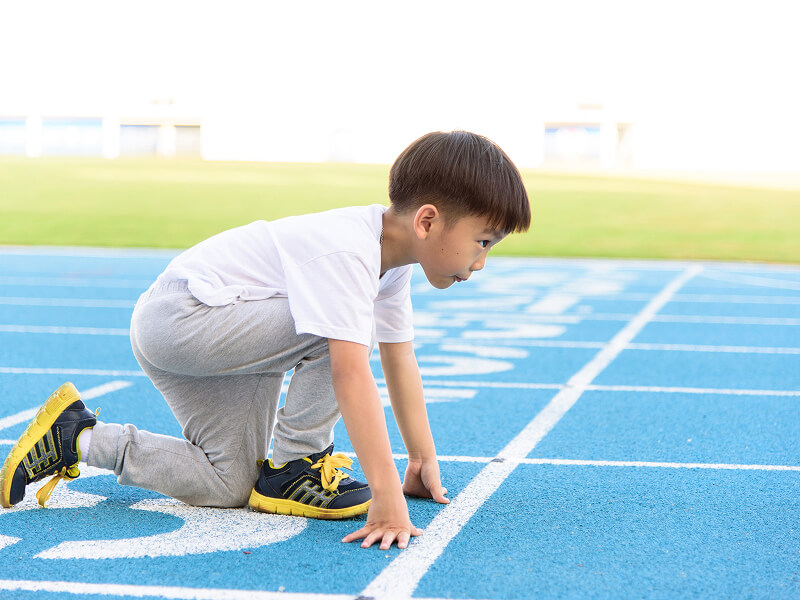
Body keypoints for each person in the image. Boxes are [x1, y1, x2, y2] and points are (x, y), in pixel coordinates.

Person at [0, 130, 531, 550]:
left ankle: (80, 437)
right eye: (482, 242)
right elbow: (350, 371)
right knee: (344, 330)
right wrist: (387, 497)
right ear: (428, 221)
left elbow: (400, 359)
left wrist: (420, 460)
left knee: (226, 483)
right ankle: (296, 466)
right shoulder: (348, 254)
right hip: (182, 319)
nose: (480, 262)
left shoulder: (390, 270)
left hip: (221, 336)